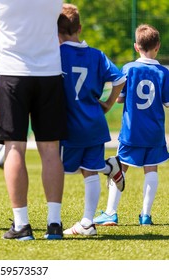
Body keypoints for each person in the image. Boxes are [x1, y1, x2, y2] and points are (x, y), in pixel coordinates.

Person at [0, 0, 67, 241]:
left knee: (14, 148)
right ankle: (54, 224)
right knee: (51, 149)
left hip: (12, 73)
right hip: (50, 73)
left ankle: (22, 225)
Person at [57, 4, 126, 236]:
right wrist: (107, 103)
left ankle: (57, 221)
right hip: (95, 123)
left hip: (70, 126)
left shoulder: (55, 54)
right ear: (80, 28)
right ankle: (87, 222)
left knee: (59, 170)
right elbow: (119, 79)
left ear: (56, 31)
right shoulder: (97, 55)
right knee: (90, 170)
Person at [94, 24, 169, 226]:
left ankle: (111, 212)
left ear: (136, 47)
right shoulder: (163, 72)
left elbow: (120, 98)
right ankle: (145, 215)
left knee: (120, 168)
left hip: (131, 130)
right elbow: (167, 102)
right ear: (158, 46)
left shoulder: (128, 68)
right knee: (151, 169)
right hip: (154, 131)